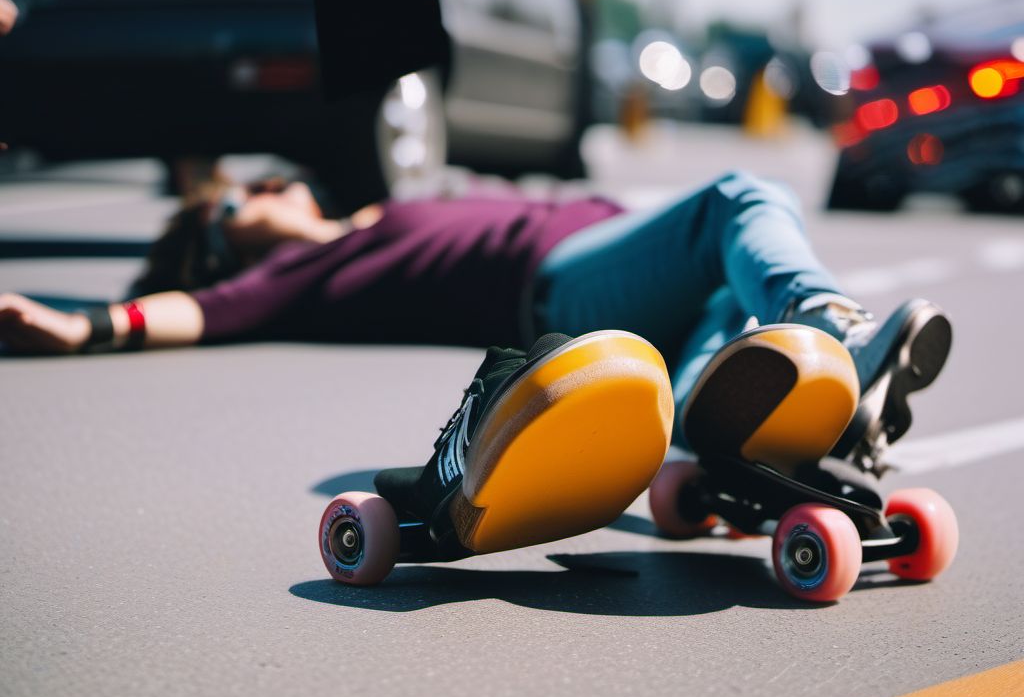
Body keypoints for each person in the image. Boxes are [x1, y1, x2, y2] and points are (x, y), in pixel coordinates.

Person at [0, 171, 951, 471]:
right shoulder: (309, 268)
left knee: (735, 350)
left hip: (632, 264)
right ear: (226, 244)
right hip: (571, 286)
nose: (270, 181)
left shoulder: (372, 210)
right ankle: (827, 321)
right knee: (737, 199)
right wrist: (86, 328)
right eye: (238, 199)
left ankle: (760, 446)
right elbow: (207, 311)